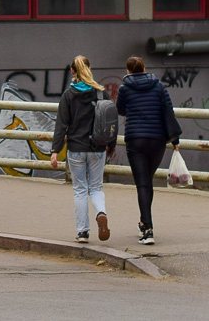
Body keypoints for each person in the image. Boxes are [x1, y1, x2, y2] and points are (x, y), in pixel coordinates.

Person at [116, 56, 182, 246]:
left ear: (128, 71)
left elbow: (120, 109)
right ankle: (145, 222)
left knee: (142, 184)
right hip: (157, 140)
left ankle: (148, 229)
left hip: (136, 140)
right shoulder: (159, 86)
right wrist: (175, 139)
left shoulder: (124, 88)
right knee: (148, 181)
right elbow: (168, 111)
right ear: (144, 68)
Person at [49, 55, 113, 243]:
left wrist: (55, 151)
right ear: (90, 68)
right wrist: (111, 144)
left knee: (79, 189)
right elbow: (110, 121)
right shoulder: (100, 93)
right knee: (96, 187)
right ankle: (101, 212)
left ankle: (83, 232)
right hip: (97, 147)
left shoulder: (68, 95)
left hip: (76, 148)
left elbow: (61, 125)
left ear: (72, 72)